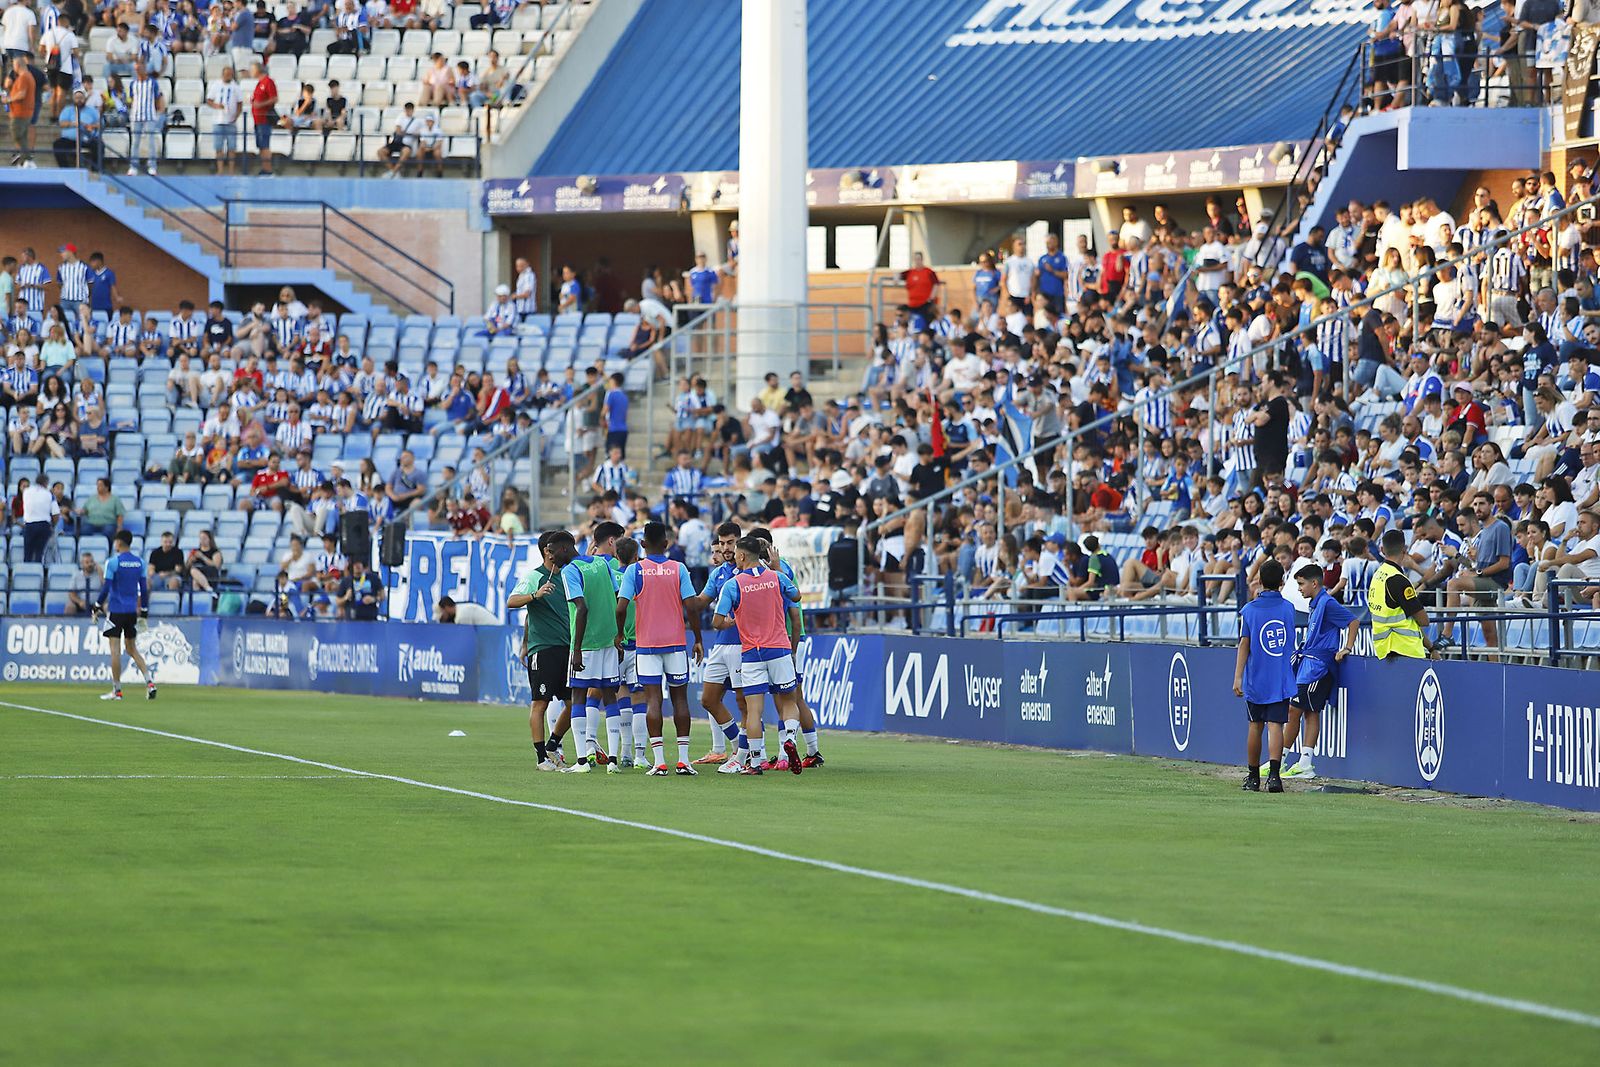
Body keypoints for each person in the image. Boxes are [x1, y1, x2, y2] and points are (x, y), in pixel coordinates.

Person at [616, 521, 704, 775]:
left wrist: (620, 633)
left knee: (652, 700)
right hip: (676, 643)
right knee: (680, 699)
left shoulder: (635, 571)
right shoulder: (679, 568)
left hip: (646, 646)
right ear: (666, 544)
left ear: (643, 544)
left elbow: (621, 608)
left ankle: (659, 762)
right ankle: (684, 761)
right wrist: (697, 638)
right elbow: (691, 606)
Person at [712, 535, 805, 776]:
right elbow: (796, 596)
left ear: (741, 556)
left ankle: (754, 764)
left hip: (752, 653)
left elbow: (716, 621)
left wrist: (731, 621)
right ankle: (791, 740)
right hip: (780, 649)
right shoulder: (776, 577)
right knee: (788, 702)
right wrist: (776, 570)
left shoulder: (733, 584)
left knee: (754, 710)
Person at [1273, 562, 1360, 781]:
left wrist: (1346, 647)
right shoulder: (1316, 603)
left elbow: (1353, 621)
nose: (1300, 589)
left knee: (1295, 711)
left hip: (1318, 668)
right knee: (1309, 713)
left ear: (1314, 583)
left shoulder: (1328, 603)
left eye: (1301, 584)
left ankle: (1279, 761)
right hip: (1309, 665)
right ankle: (1303, 763)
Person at [556, 522, 624, 772]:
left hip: (586, 644)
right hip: (608, 640)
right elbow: (618, 600)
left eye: (553, 551)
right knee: (610, 697)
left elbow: (581, 608)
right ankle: (614, 760)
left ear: (565, 548)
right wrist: (617, 636)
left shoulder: (570, 571)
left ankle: (582, 761)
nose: (551, 557)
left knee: (578, 698)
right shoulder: (602, 564)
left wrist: (576, 649)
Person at [506, 531, 574, 770]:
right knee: (540, 703)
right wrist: (536, 594)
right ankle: (541, 759)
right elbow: (512, 601)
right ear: (548, 550)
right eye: (560, 547)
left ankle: (552, 745)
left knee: (575, 702)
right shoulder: (535, 576)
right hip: (543, 648)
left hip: (567, 647)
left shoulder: (568, 575)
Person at [686, 521, 752, 767]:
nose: (725, 548)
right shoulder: (719, 573)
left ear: (739, 542)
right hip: (721, 644)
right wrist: (678, 595)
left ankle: (751, 755)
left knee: (744, 702)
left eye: (730, 543)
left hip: (742, 645)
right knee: (709, 699)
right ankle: (738, 747)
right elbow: (699, 602)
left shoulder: (751, 570)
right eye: (722, 543)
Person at [1233, 558, 1296, 793]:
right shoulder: (1288, 608)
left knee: (1255, 726)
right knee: (1276, 727)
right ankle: (1274, 777)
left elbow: (1244, 644)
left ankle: (1252, 777)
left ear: (1259, 580)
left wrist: (1238, 677)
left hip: (1255, 679)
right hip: (1280, 678)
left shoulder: (1249, 611)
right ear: (1282, 581)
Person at [94, 529, 156, 701]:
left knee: (115, 651)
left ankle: (117, 691)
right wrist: (144, 609)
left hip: (116, 611)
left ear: (119, 543)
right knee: (132, 649)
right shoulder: (140, 563)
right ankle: (150, 682)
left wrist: (97, 605)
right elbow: (143, 589)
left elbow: (106, 588)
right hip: (131, 612)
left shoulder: (112, 562)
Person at [1369, 528, 1442, 660]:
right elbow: (1423, 620)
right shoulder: (1398, 580)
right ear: (1404, 550)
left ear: (1382, 550)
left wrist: (1431, 648)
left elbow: (1407, 619)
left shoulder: (1378, 575)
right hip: (1405, 651)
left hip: (1384, 650)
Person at [19, 476, 57, 562]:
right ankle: (38, 571)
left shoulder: (26, 492)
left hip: (29, 525)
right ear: (46, 483)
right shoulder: (49, 494)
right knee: (39, 553)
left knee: (28, 553)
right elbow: (56, 513)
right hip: (43, 525)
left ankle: (27, 572)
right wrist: (53, 525)